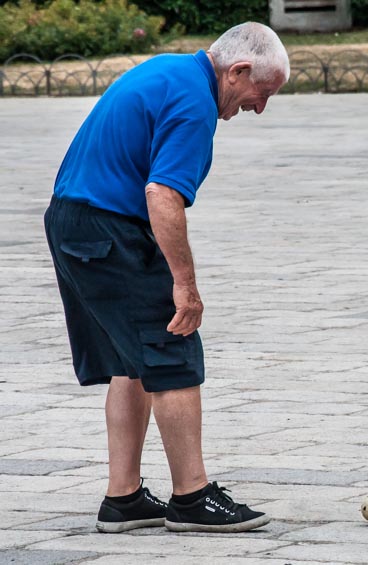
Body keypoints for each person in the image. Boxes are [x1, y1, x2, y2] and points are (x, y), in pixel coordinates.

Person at [44, 22, 290, 534]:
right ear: (238, 70)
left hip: (75, 219)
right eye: (260, 94)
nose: (259, 108)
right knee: (172, 347)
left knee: (130, 359)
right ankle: (192, 496)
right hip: (110, 227)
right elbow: (162, 194)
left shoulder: (172, 69)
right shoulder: (195, 103)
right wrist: (186, 285)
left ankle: (124, 498)